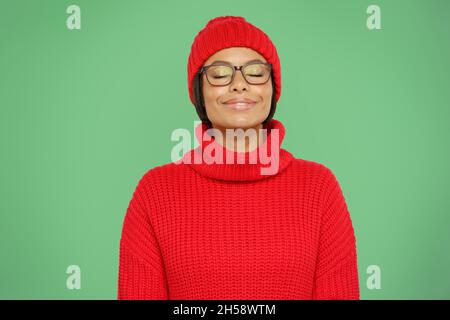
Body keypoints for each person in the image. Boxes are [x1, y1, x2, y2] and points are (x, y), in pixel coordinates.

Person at [117, 15, 360, 300]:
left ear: (272, 88)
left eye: (255, 73)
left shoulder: (319, 187)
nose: (239, 85)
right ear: (199, 92)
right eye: (219, 74)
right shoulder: (155, 191)